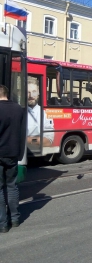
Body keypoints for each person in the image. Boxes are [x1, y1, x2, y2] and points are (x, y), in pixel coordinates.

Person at [0, 85, 25, 232]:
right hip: (13, 153)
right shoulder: (18, 109)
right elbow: (22, 133)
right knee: (12, 186)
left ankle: (3, 224)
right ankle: (15, 219)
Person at [27, 76, 54, 150]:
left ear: (38, 93)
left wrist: (28, 140)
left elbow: (48, 141)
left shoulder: (45, 113)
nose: (31, 95)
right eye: (28, 92)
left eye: (34, 92)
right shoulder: (18, 111)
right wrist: (37, 140)